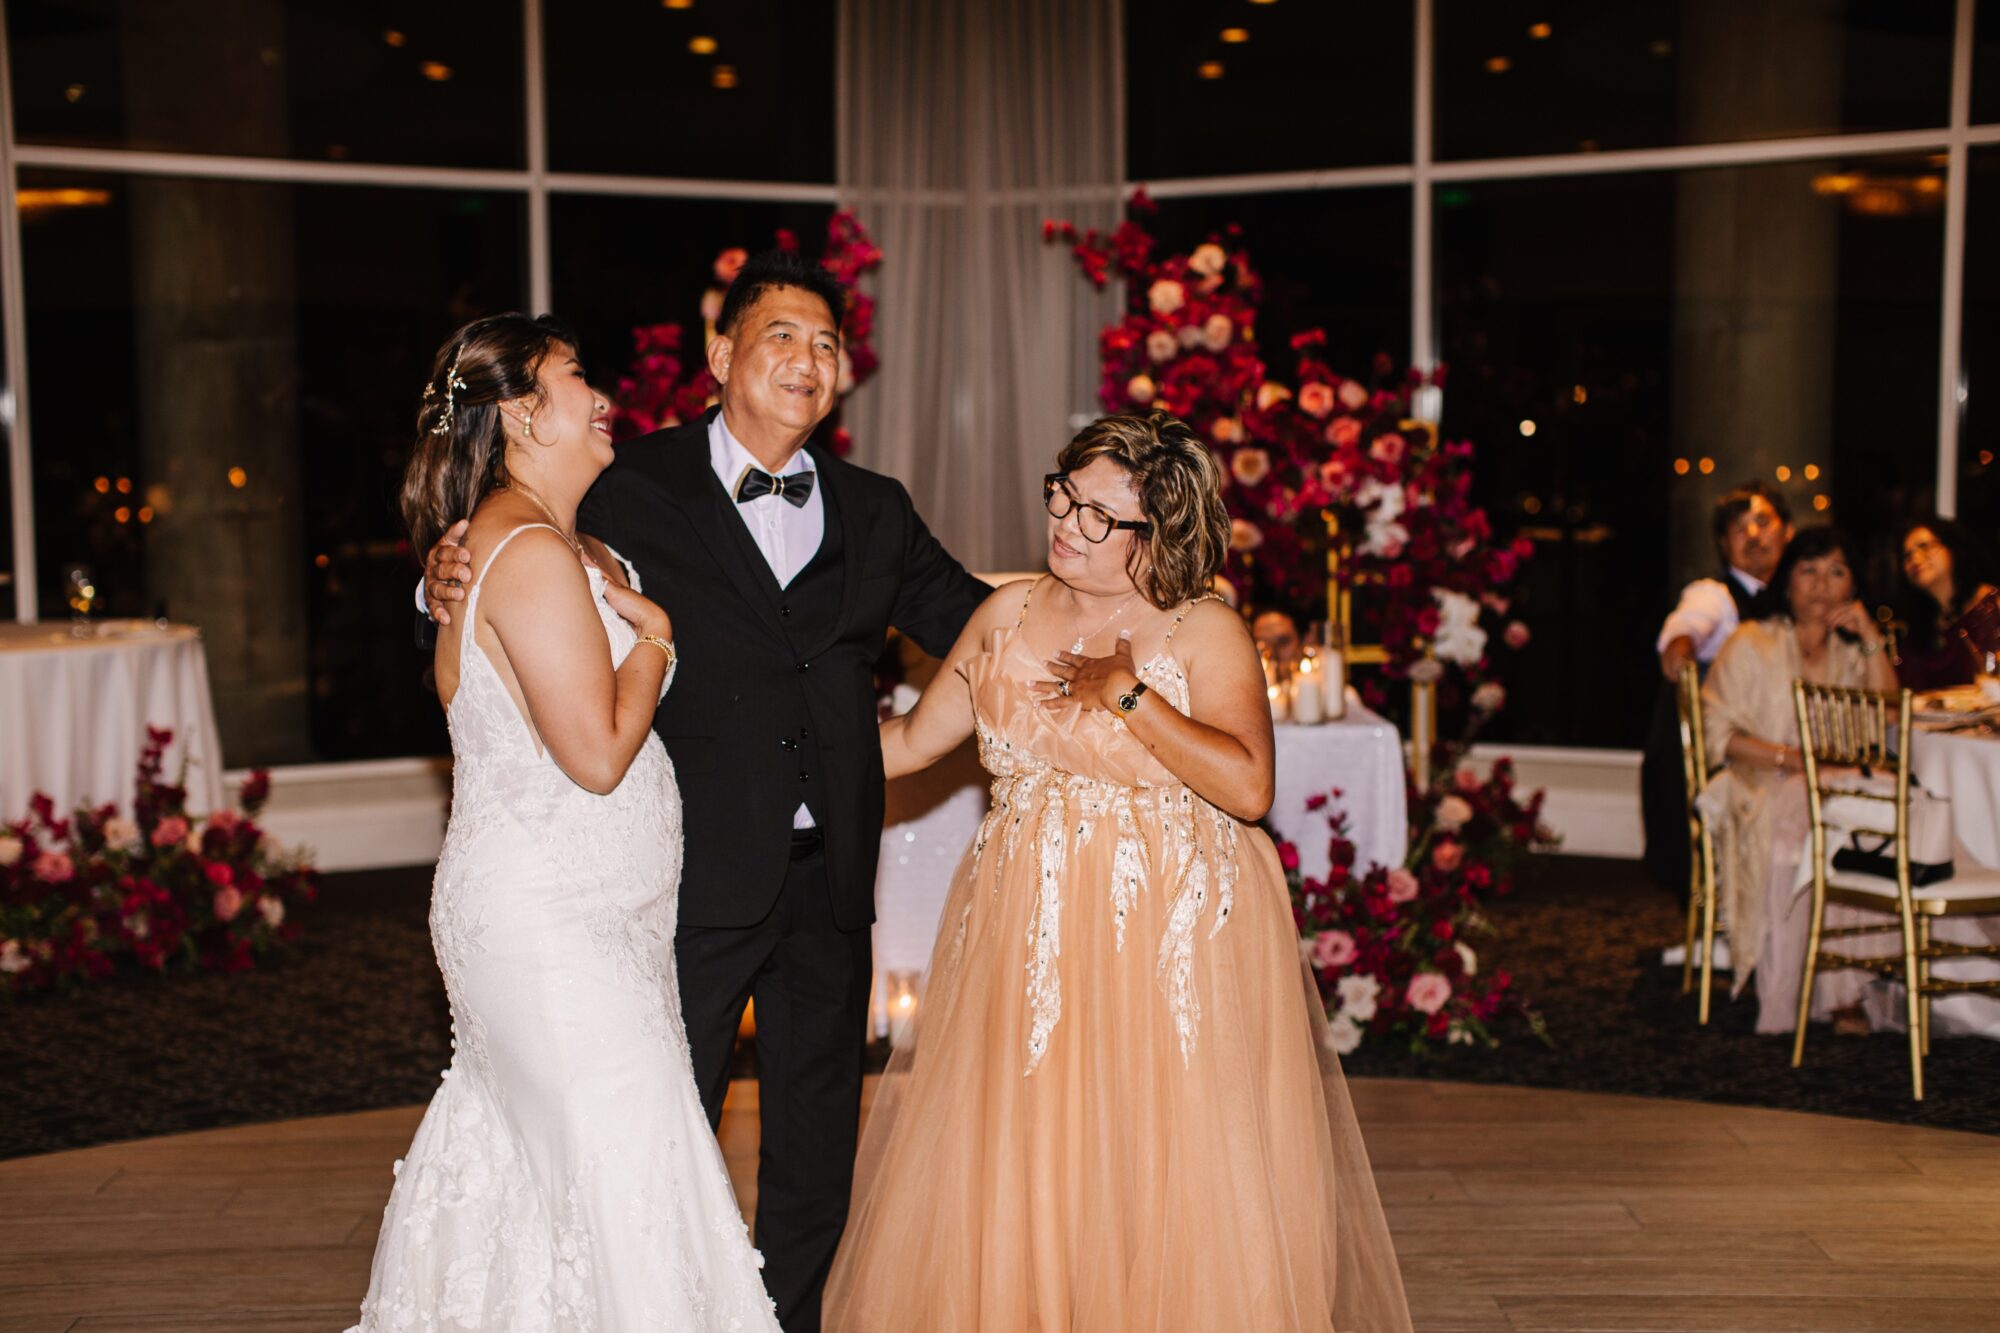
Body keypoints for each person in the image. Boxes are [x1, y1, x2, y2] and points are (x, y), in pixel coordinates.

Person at [422, 251, 987, 1332]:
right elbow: (507, 585)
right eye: (781, 334)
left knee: (818, 1139)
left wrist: (1107, 609)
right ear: (721, 354)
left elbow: (972, 617)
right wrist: (436, 574)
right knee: (655, 1130)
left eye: (827, 345)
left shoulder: (876, 509)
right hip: (682, 876)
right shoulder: (629, 482)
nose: (808, 360)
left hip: (829, 878)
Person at [822, 411, 1411, 1332]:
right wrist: (781, 751)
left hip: (1169, 925)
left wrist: (1130, 695)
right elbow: (905, 742)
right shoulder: (1005, 612)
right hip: (1032, 919)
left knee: (1162, 1146)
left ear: (1160, 533)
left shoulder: (1203, 627)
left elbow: (1249, 785)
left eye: (1100, 515)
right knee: (1036, 1141)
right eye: (1065, 494)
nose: (1066, 522)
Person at [352, 316, 780, 1329]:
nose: (603, 397)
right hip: (555, 931)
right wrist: (655, 645)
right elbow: (594, 754)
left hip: (585, 922)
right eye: (576, 379)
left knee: (549, 1191)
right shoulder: (528, 546)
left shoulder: (555, 541)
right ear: (518, 412)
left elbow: (470, 678)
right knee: (622, 1179)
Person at [1699, 526, 1899, 1035]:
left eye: (1836, 572)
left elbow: (1887, 720)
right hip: (1760, 782)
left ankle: (1844, 989)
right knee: (1799, 828)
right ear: (1786, 580)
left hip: (1835, 788)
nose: (1821, 585)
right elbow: (1716, 733)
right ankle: (1794, 996)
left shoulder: (1851, 654)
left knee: (1888, 822)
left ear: (1852, 585)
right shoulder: (1751, 642)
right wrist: (1789, 759)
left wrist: (1873, 640)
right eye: (1808, 570)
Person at [1641, 482, 1794, 944]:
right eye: (1737, 527)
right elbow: (1685, 630)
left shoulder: (1799, 602)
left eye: (1763, 521)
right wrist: (1681, 652)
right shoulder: (1715, 595)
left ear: (1787, 532)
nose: (1752, 534)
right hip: (1727, 755)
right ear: (1724, 544)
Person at [1893, 516, 1998, 691]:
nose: (1915, 559)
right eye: (1907, 556)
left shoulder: (1993, 606)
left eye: (1924, 547)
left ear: (1953, 548)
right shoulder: (1921, 627)